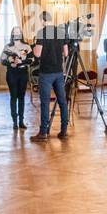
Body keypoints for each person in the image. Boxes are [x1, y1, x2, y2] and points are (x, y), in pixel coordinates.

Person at [31, 11, 70, 142]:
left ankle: (43, 132)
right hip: (59, 72)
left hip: (46, 73)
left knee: (45, 103)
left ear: (42, 20)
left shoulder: (42, 32)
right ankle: (64, 131)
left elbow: (37, 54)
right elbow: (66, 53)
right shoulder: (60, 32)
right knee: (63, 102)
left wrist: (32, 48)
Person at [0, 27, 32, 130]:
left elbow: (32, 60)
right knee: (13, 96)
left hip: (23, 73)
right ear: (12, 34)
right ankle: (14, 121)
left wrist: (22, 62)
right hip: (12, 73)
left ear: (21, 33)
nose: (17, 33)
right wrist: (11, 63)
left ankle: (21, 121)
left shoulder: (27, 46)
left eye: (18, 31)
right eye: (15, 32)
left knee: (21, 97)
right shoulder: (8, 47)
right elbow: (2, 60)